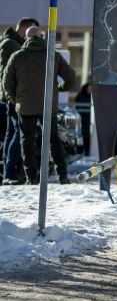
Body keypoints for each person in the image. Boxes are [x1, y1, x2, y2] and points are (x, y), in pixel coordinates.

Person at [3, 26, 78, 185]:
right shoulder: (53, 55)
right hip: (48, 105)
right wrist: (58, 88)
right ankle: (62, 175)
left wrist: (16, 99)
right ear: (41, 37)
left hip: (25, 107)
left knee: (26, 141)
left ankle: (31, 177)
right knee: (53, 140)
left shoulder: (17, 56)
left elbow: (6, 83)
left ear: (26, 38)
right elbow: (71, 78)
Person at [0, 17, 39, 185]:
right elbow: (8, 75)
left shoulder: (12, 43)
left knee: (11, 134)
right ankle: (9, 172)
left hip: (12, 97)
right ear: (24, 28)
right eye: (30, 31)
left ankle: (8, 172)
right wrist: (15, 98)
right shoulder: (10, 44)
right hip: (13, 98)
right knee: (18, 134)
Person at [75, 82, 92, 157]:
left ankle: (87, 152)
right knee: (83, 136)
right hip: (83, 121)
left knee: (88, 137)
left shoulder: (92, 97)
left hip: (89, 121)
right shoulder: (81, 96)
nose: (90, 90)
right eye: (89, 89)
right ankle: (82, 152)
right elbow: (79, 107)